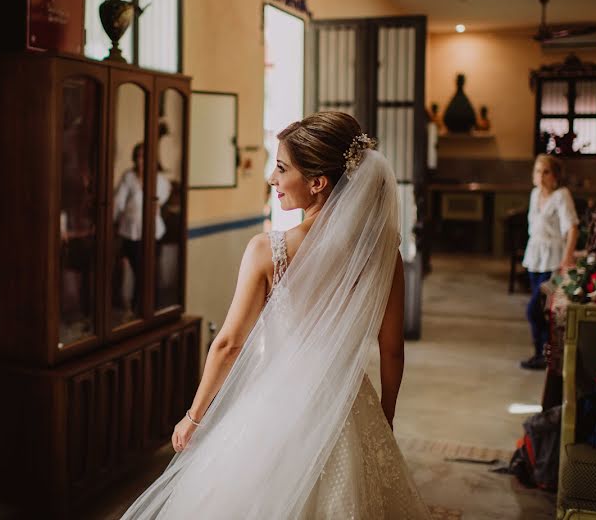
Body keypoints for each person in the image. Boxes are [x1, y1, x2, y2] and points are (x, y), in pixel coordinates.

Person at [122, 112, 430, 519]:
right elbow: (391, 349)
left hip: (275, 408)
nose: (271, 178)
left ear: (318, 183)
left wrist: (194, 416)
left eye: (282, 168)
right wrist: (385, 416)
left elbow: (229, 344)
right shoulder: (382, 254)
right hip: (352, 406)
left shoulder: (268, 250)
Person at [520, 154, 579, 370]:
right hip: (535, 259)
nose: (541, 176)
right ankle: (542, 354)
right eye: (537, 171)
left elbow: (572, 227)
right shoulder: (535, 194)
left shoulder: (561, 196)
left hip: (553, 261)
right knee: (542, 311)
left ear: (555, 176)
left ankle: (546, 354)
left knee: (535, 310)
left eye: (546, 171)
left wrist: (567, 258)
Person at [113, 142, 171, 315]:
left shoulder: (159, 180)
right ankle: (139, 311)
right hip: (131, 234)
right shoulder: (128, 177)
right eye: (137, 156)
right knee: (140, 273)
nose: (140, 160)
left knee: (151, 274)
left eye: (144, 157)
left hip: (153, 234)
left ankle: (150, 311)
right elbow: (118, 203)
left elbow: (161, 197)